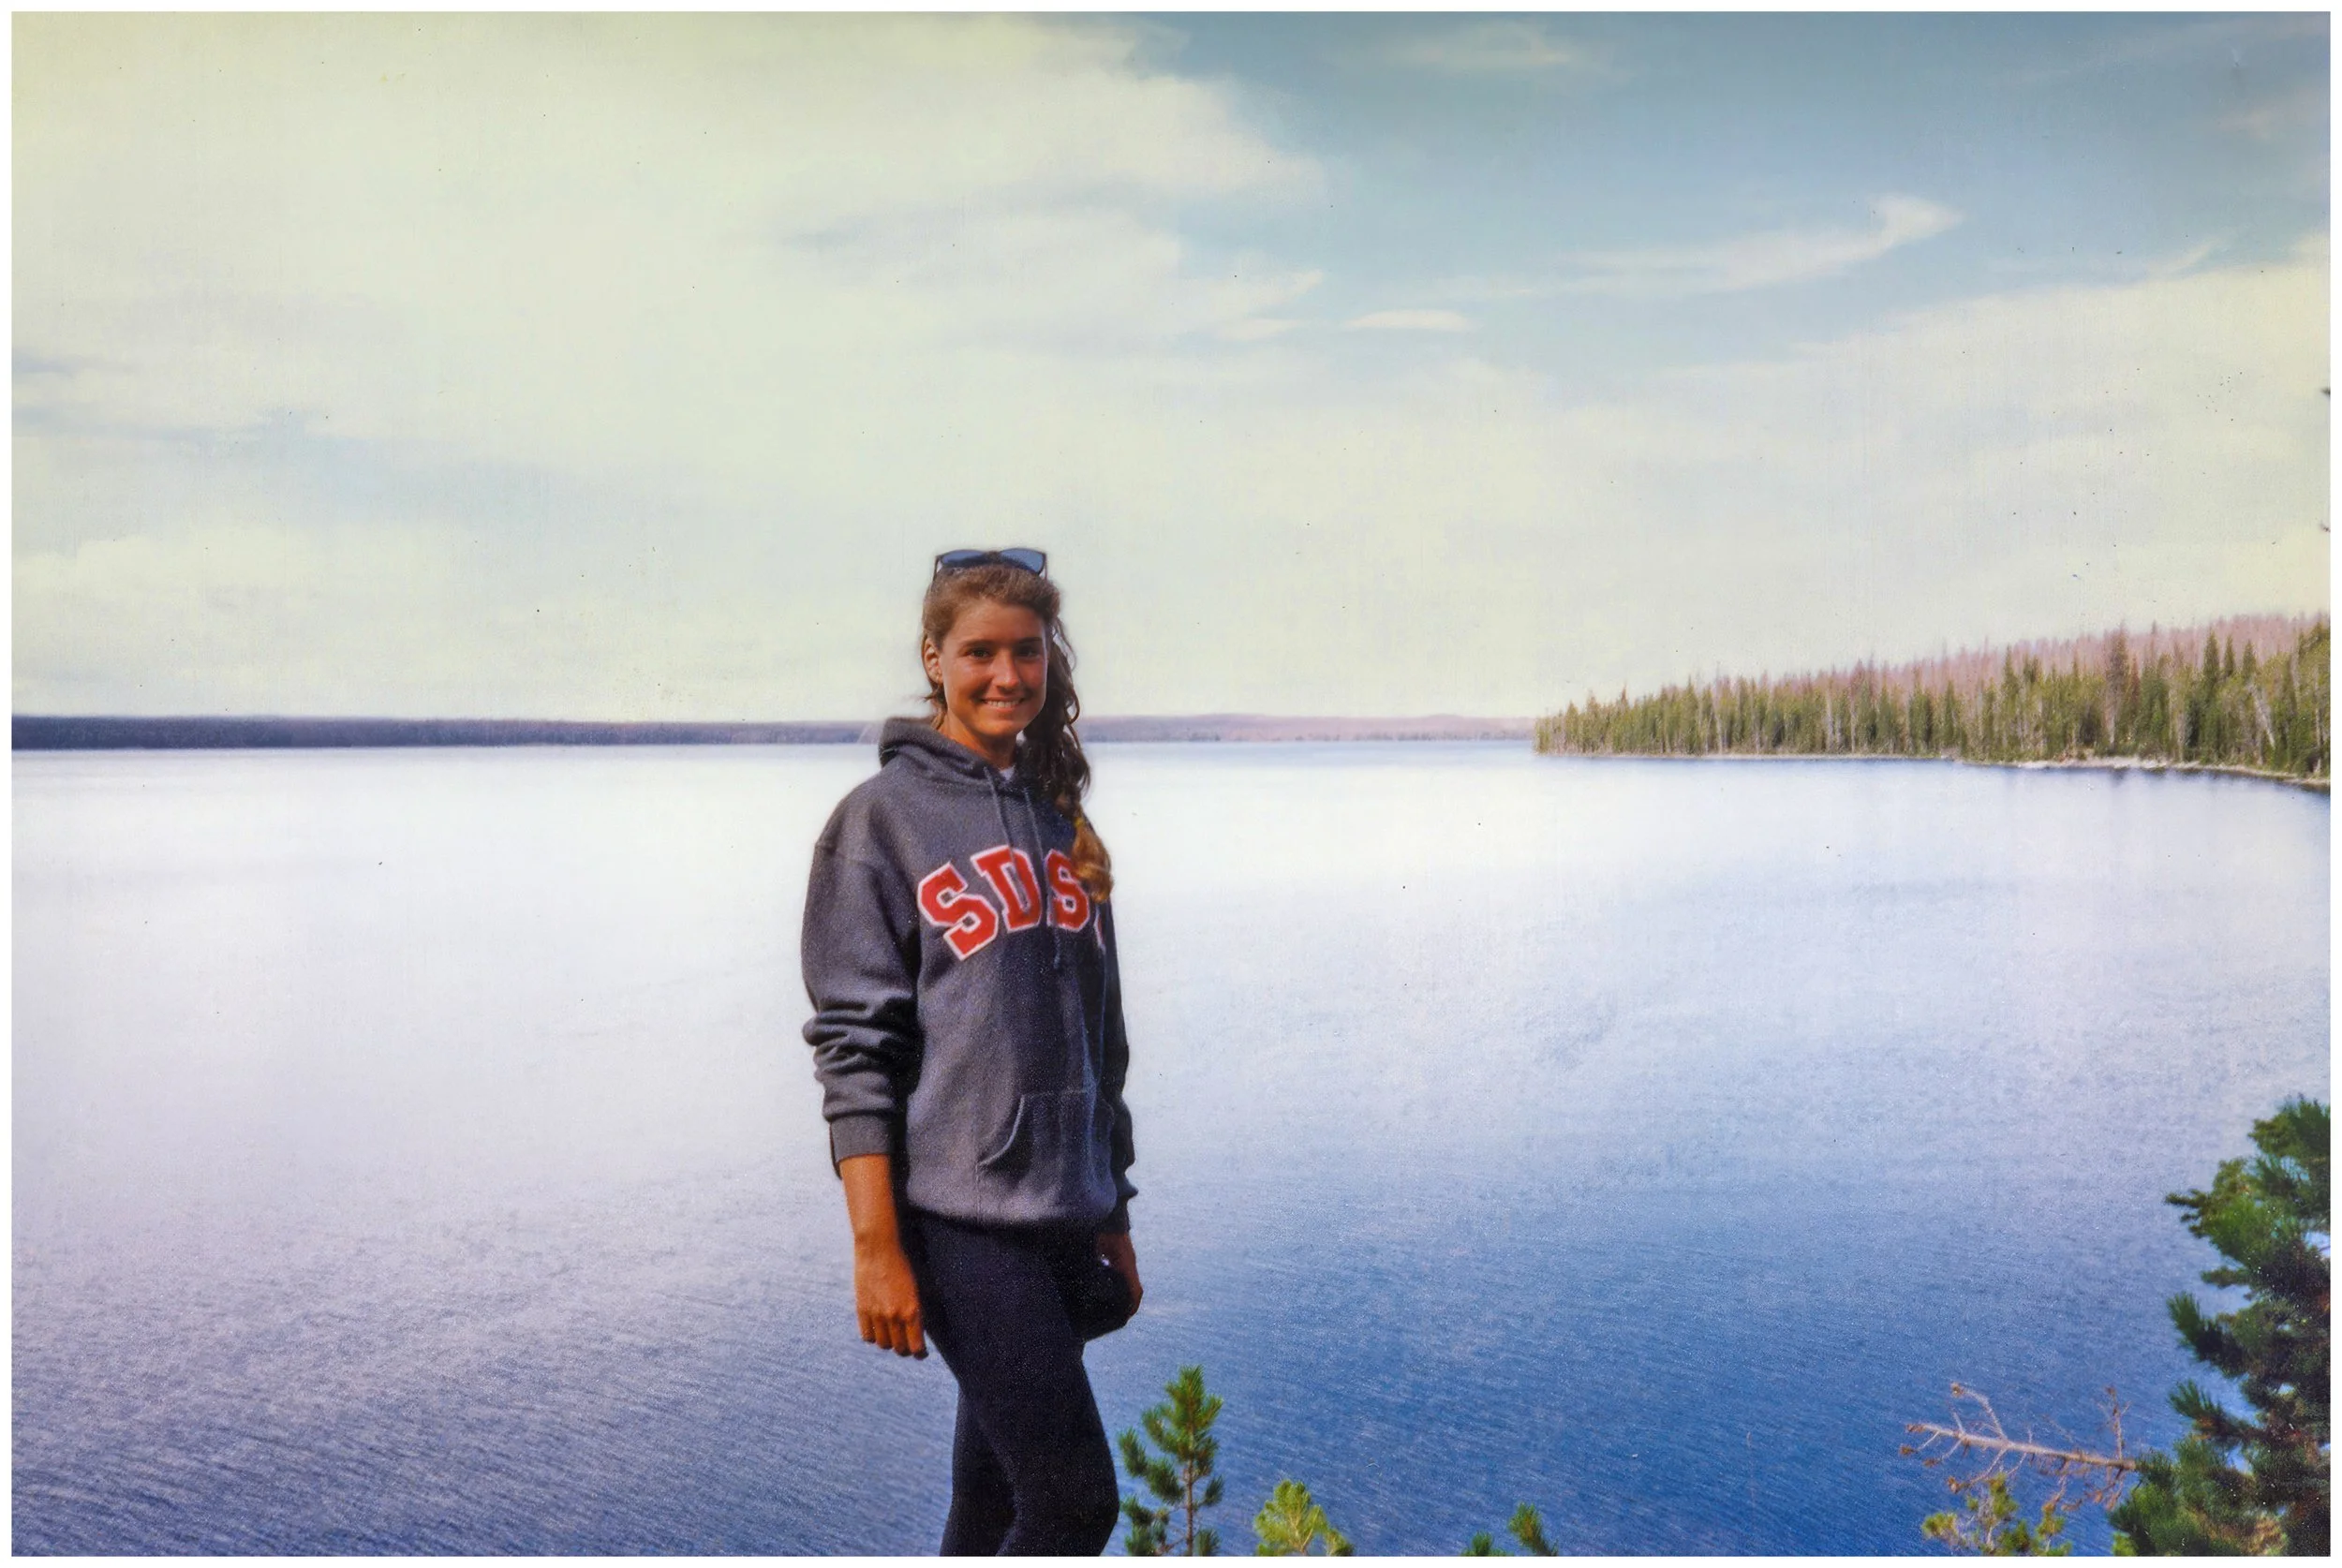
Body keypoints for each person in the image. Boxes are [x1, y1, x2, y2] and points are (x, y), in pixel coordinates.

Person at [800, 548, 1142, 1556]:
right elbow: (855, 1052)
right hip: (959, 1222)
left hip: (1060, 1213)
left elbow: (1101, 1040)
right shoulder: (879, 824)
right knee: (1077, 1504)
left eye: (1026, 653)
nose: (1006, 675)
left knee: (991, 1505)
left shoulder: (1057, 820)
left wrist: (1111, 1203)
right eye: (980, 652)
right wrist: (876, 1248)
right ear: (933, 659)